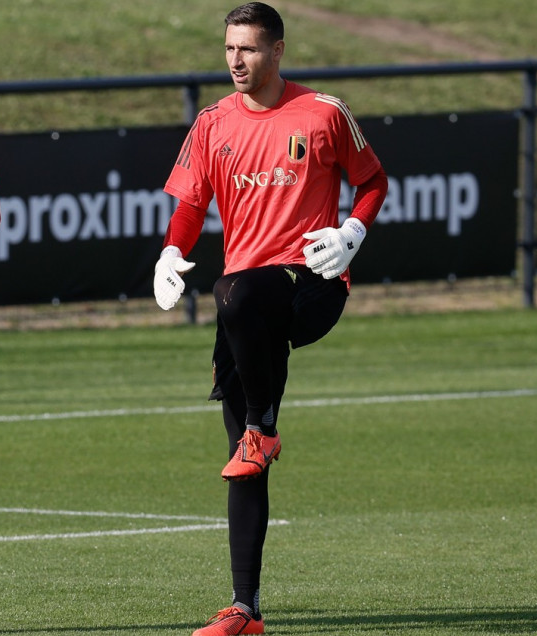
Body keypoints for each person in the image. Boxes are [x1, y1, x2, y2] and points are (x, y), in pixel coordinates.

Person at [153, 3, 387, 635]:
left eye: (249, 49)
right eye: (229, 47)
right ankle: (244, 608)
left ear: (278, 52)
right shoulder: (212, 123)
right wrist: (173, 251)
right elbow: (189, 200)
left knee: (236, 291)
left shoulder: (324, 113)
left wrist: (353, 231)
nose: (236, 59)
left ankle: (264, 423)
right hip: (245, 308)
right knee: (241, 455)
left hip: (311, 284)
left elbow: (373, 180)